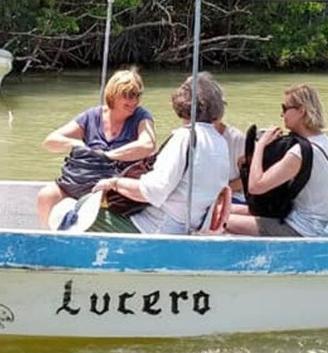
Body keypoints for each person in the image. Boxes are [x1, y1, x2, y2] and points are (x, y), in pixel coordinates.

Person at [91, 72, 230, 234]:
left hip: (156, 227)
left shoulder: (185, 137)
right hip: (190, 224)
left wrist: (114, 183)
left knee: (73, 213)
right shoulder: (220, 142)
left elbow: (153, 191)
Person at [36, 68, 157, 227]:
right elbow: (50, 141)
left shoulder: (141, 117)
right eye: (127, 95)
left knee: (98, 204)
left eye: (137, 95)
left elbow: (148, 144)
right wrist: (78, 144)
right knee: (46, 195)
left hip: (114, 187)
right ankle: (50, 240)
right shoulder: (91, 116)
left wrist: (108, 156)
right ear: (113, 95)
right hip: (81, 180)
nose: (134, 101)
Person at [225, 83, 328, 237]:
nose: (282, 115)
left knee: (222, 221)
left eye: (285, 108)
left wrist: (260, 146)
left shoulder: (299, 153)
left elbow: (255, 186)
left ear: (301, 111)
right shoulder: (323, 140)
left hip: (303, 230)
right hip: (312, 221)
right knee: (226, 209)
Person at [214, 116, 246, 202]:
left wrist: (220, 192)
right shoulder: (188, 138)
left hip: (233, 196)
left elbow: (247, 179)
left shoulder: (238, 139)